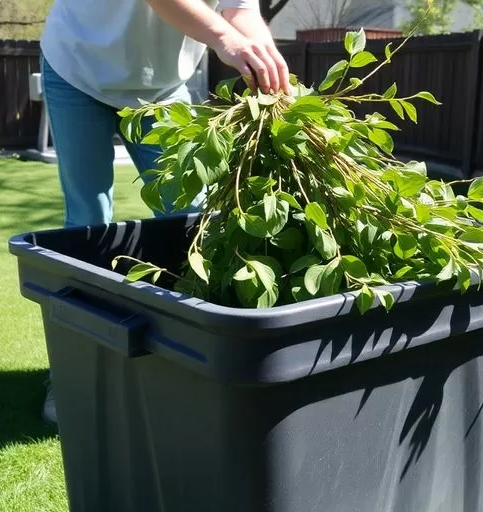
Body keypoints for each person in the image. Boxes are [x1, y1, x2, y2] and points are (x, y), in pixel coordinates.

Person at [37, 0, 291, 424]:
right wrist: (225, 39)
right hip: (78, 65)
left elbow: (239, 9)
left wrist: (262, 51)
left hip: (161, 87)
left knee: (194, 221)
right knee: (87, 225)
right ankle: (72, 374)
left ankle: (187, 360)